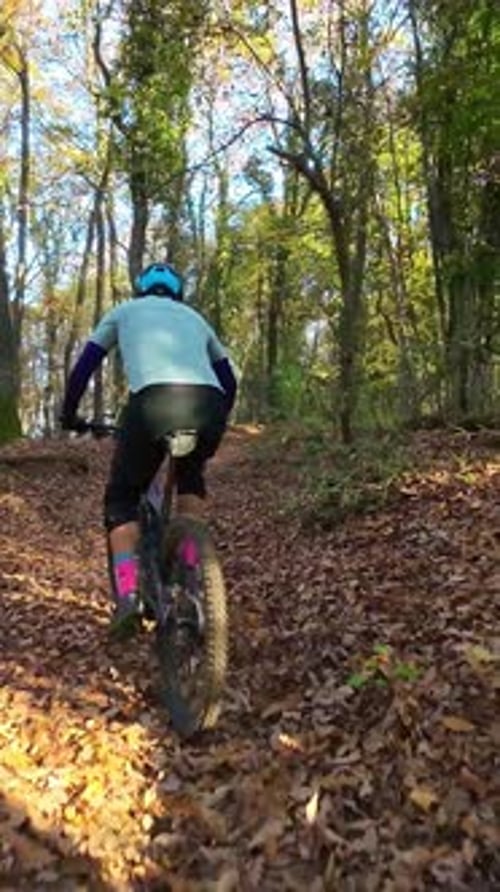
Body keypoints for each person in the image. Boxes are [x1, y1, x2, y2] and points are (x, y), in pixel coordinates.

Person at [60, 261, 237, 637]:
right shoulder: (195, 318)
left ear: (142, 288)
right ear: (177, 292)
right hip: (209, 403)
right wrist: (219, 416)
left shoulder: (124, 311)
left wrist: (69, 414)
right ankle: (192, 572)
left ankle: (128, 597)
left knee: (122, 498)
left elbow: (85, 366)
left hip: (153, 403)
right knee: (191, 477)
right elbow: (227, 377)